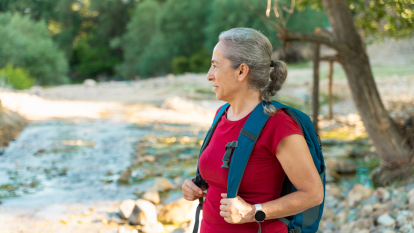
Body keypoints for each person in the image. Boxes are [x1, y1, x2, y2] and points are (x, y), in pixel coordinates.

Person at [182, 28, 324, 233]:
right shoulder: (222, 114)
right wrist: (195, 187)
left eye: (215, 66)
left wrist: (252, 211)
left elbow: (313, 193)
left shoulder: (279, 125)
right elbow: (222, 179)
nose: (209, 76)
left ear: (241, 71)